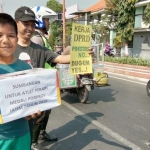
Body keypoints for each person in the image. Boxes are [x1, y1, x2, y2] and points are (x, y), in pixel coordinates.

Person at [14, 6, 93, 150]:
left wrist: (82, 54)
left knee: (26, 137)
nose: (30, 28)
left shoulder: (40, 50)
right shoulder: (7, 49)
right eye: (26, 24)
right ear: (16, 23)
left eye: (32, 25)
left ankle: (32, 142)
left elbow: (61, 58)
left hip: (32, 106)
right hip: (13, 105)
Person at [0, 13, 41, 150]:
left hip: (22, 135)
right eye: (0, 35)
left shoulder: (25, 68)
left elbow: (28, 102)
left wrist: (31, 112)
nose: (5, 40)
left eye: (11, 35)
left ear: (16, 39)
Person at [30, 6, 58, 143]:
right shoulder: (36, 39)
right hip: (40, 82)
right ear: (40, 19)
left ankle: (41, 133)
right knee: (40, 113)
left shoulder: (42, 37)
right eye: (47, 19)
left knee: (47, 111)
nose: (49, 23)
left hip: (47, 81)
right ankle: (33, 142)